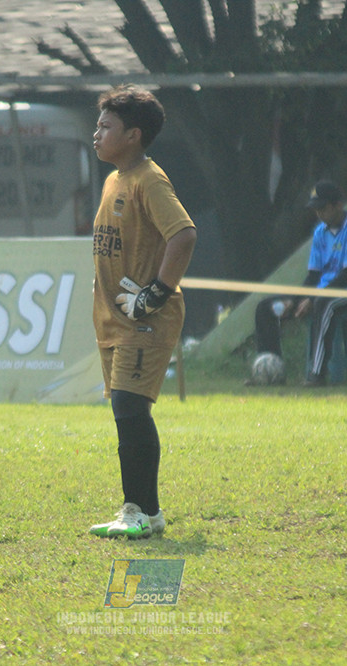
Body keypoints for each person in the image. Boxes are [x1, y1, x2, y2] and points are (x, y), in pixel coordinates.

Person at [87, 85, 196, 539]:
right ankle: (148, 513)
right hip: (113, 319)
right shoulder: (115, 178)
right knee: (126, 412)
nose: (96, 133)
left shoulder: (149, 180)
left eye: (106, 126)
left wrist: (156, 293)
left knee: (131, 410)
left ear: (133, 135)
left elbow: (184, 235)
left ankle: (134, 510)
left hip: (144, 319)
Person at [250, 180, 347, 387]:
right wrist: (296, 300)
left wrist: (314, 298)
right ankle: (269, 371)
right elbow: (313, 275)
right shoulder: (319, 233)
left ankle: (317, 374)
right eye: (316, 209)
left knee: (324, 305)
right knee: (266, 308)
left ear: (338, 206)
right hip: (320, 293)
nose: (319, 214)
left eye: (323, 209)